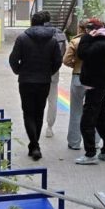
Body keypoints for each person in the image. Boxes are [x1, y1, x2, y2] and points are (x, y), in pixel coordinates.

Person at [8, 11, 62, 161]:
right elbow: (58, 61)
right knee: (39, 112)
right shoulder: (52, 40)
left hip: (26, 81)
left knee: (28, 112)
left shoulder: (23, 38)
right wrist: (49, 72)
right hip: (44, 81)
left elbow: (13, 59)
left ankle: (34, 144)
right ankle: (34, 144)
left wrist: (19, 70)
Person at [75, 17, 105, 165]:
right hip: (100, 85)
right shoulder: (104, 42)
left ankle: (90, 153)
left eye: (88, 30)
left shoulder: (99, 44)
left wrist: (85, 38)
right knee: (101, 118)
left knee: (87, 121)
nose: (86, 32)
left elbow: (82, 53)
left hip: (95, 86)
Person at [63, 19, 90, 151]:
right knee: (93, 111)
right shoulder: (98, 40)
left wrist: (75, 64)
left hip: (78, 77)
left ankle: (74, 142)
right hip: (93, 79)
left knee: (76, 110)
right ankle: (95, 141)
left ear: (79, 28)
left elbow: (66, 60)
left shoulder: (75, 41)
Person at [41, 10, 67, 139]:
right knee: (52, 99)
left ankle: (36, 125)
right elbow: (63, 53)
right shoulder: (60, 34)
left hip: (38, 71)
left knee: (37, 99)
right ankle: (49, 127)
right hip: (54, 71)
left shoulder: (35, 33)